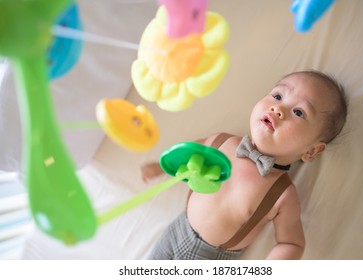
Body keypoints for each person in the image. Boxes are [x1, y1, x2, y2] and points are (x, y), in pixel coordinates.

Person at [141, 70, 348, 260]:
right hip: (178, 228)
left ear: (311, 150)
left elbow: (291, 243)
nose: (279, 108)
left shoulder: (281, 194)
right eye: (277, 96)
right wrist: (160, 167)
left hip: (212, 257)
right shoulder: (221, 142)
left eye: (299, 112)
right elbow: (186, 154)